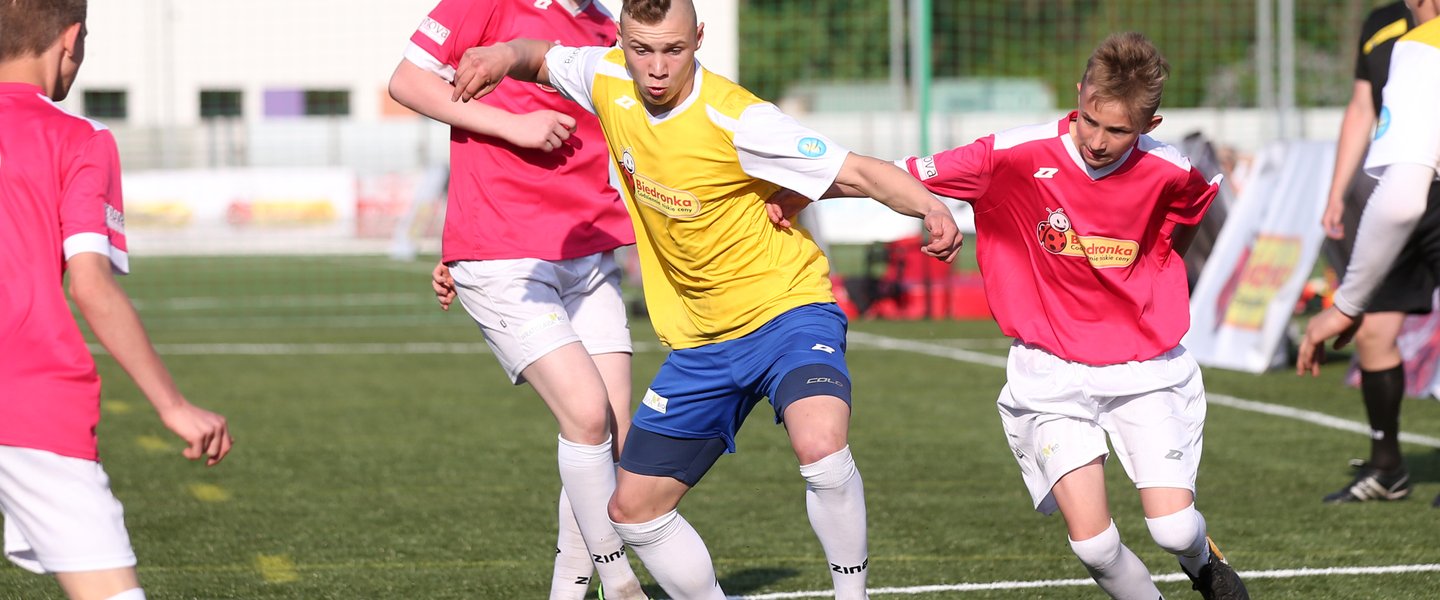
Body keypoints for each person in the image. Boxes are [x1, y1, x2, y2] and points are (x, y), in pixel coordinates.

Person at [442, 1, 962, 596]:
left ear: (699, 39)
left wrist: (928, 206)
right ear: (621, 41)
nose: (657, 67)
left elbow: (855, 171)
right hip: (701, 340)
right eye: (642, 50)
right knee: (634, 510)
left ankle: (853, 594)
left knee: (819, 441)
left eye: (673, 50)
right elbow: (540, 57)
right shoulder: (606, 76)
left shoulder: (739, 117)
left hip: (786, 310)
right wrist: (504, 55)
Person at [896, 33, 1247, 599]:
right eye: (1089, 121)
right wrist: (796, 195)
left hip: (1143, 367)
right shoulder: (1013, 152)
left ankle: (1202, 558)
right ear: (1078, 94)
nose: (1099, 142)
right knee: (1093, 546)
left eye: (1119, 130)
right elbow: (896, 173)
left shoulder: (1174, 171)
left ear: (1150, 126)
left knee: (1173, 527)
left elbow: (1176, 232)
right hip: (1050, 372)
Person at [386, 1, 649, 598]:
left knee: (611, 434)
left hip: (588, 253)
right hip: (505, 254)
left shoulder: (605, 24)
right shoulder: (487, 3)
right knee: (586, 416)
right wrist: (512, 128)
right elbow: (407, 80)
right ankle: (621, 581)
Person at [0, 2, 235, 599]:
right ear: (71, 39)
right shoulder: (80, 140)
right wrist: (174, 405)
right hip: (28, 397)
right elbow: (91, 285)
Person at [1299, 0, 1440, 510]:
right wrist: (1339, 189)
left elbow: (1400, 201)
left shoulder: (1423, 48)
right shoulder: (1386, 27)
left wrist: (1343, 305)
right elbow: (1362, 107)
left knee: (1364, 318)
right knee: (1378, 332)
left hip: (1412, 187)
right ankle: (1387, 468)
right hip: (1411, 182)